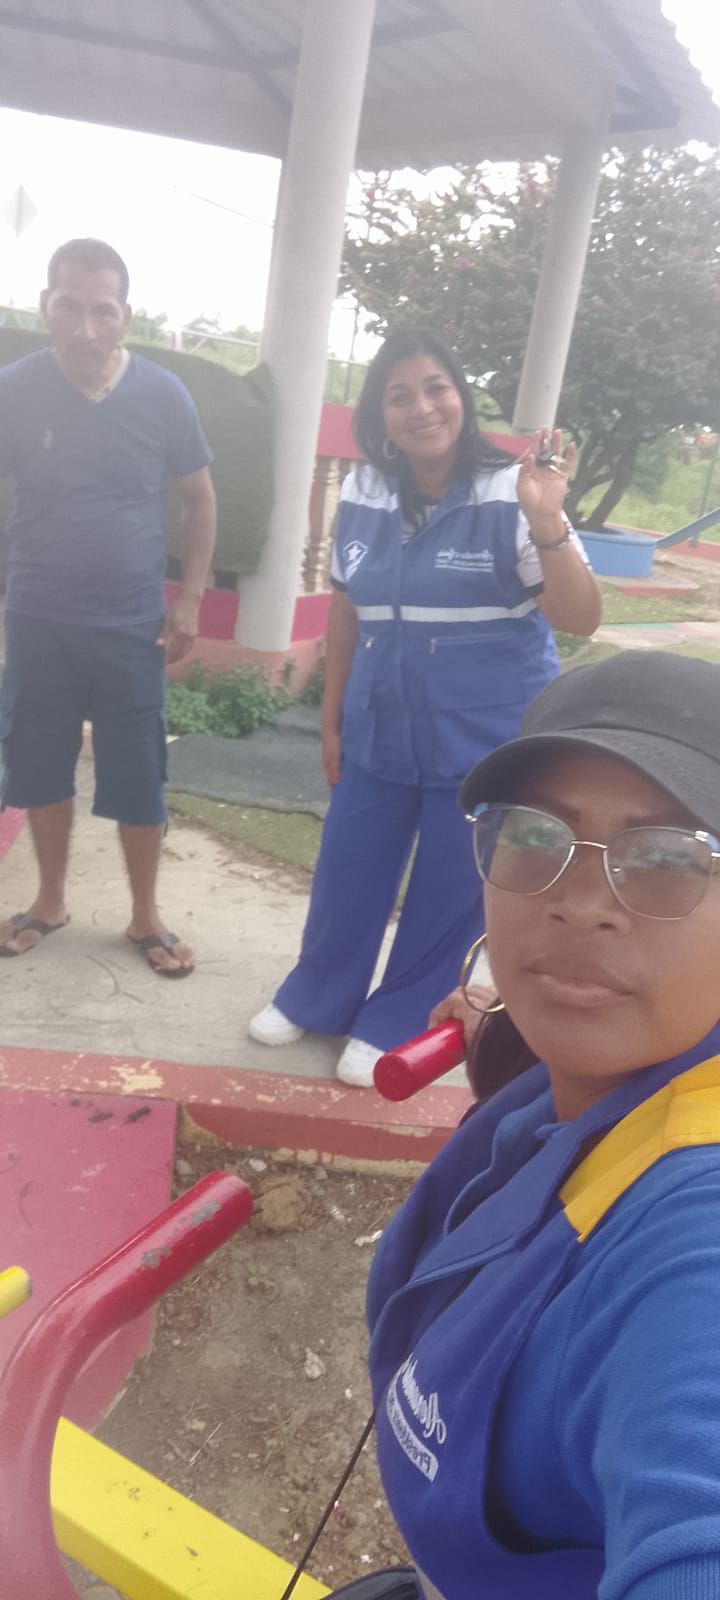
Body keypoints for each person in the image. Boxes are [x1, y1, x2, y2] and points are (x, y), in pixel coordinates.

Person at [364, 649, 720, 1600]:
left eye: (669, 858)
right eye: (535, 835)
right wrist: (514, 1043)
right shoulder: (599, 1071)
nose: (578, 905)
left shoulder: (695, 1240)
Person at [250, 327, 600, 1084]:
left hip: (485, 736)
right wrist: (332, 719)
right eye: (399, 395)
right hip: (381, 725)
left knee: (449, 889)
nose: (422, 408)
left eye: (436, 388)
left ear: (461, 397)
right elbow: (346, 608)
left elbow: (582, 616)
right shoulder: (366, 489)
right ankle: (318, 995)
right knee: (348, 870)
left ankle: (400, 1015)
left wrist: (547, 518)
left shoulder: (511, 490)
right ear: (381, 413)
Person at [0, 238, 216, 975]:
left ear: (125, 314)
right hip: (38, 617)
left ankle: (144, 915)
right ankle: (49, 901)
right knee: (39, 762)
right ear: (46, 308)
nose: (85, 328)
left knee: (138, 770)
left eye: (103, 310)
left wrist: (190, 600)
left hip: (132, 622)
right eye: (69, 308)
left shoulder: (163, 394)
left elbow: (199, 498)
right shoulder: (15, 388)